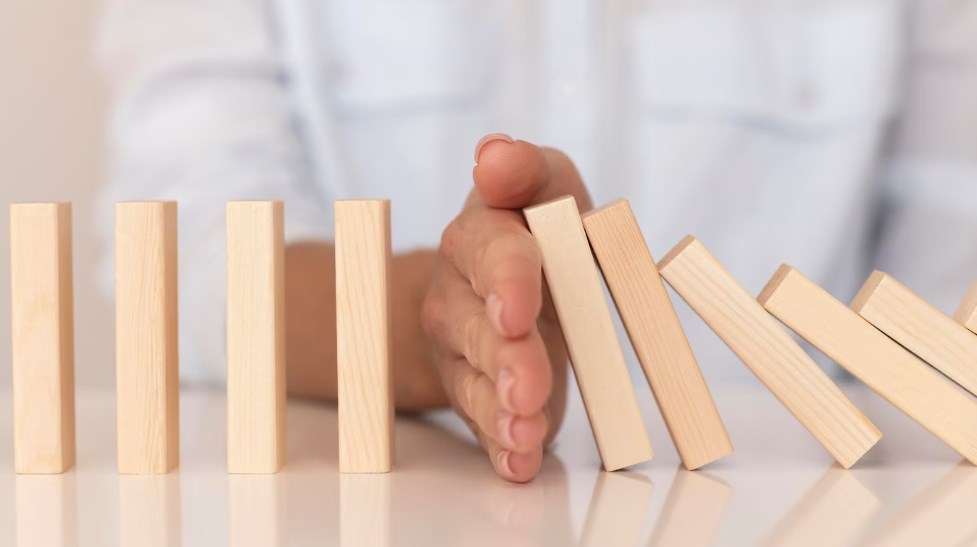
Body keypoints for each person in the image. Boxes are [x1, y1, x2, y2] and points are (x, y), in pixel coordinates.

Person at [96, 0, 977, 482]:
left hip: (798, 503)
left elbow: (952, 286)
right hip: (401, 496)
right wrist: (423, 326)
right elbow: (188, 252)